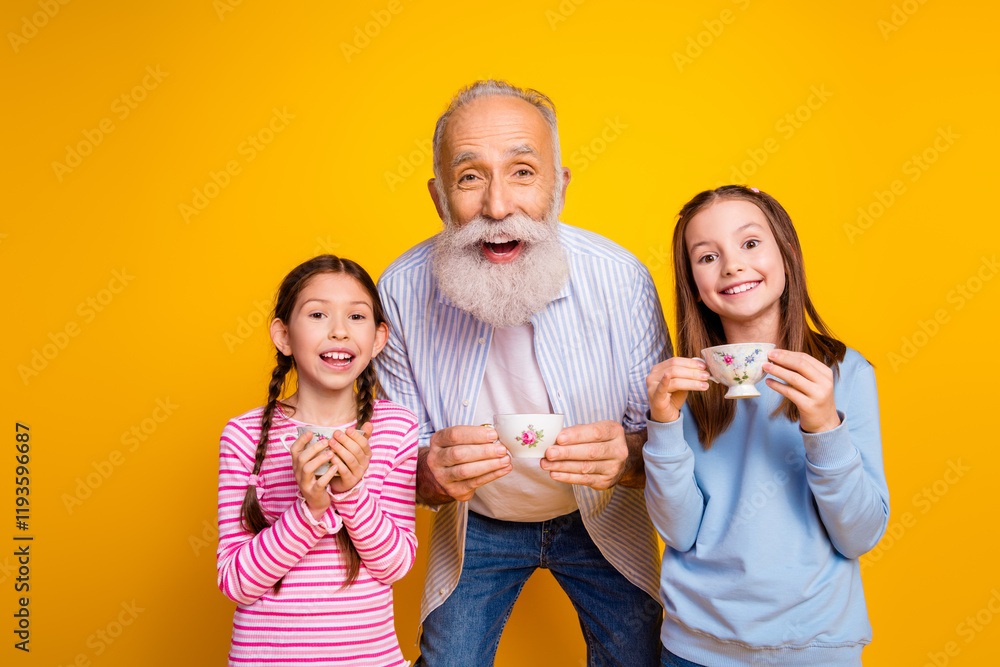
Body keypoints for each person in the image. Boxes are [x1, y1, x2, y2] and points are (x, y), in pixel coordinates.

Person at [376, 80, 670, 666]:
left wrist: (629, 457)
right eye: (470, 177)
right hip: (475, 524)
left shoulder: (622, 278)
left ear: (559, 187)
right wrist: (427, 474)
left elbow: (666, 438)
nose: (497, 206)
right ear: (439, 198)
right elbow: (396, 457)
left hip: (600, 516)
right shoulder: (401, 289)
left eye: (522, 172)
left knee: (640, 657)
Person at [643, 186, 889, 666]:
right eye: (708, 256)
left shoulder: (845, 373)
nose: (732, 265)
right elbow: (679, 531)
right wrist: (664, 424)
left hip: (818, 648)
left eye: (750, 243)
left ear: (788, 253)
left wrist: (823, 426)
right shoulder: (685, 386)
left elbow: (858, 535)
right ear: (693, 283)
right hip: (696, 649)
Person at [216, 255, 418, 667]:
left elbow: (395, 565)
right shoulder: (244, 435)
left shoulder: (397, 427)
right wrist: (310, 510)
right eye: (318, 314)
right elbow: (235, 582)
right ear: (284, 335)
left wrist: (353, 494)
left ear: (379, 338)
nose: (340, 331)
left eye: (357, 316)